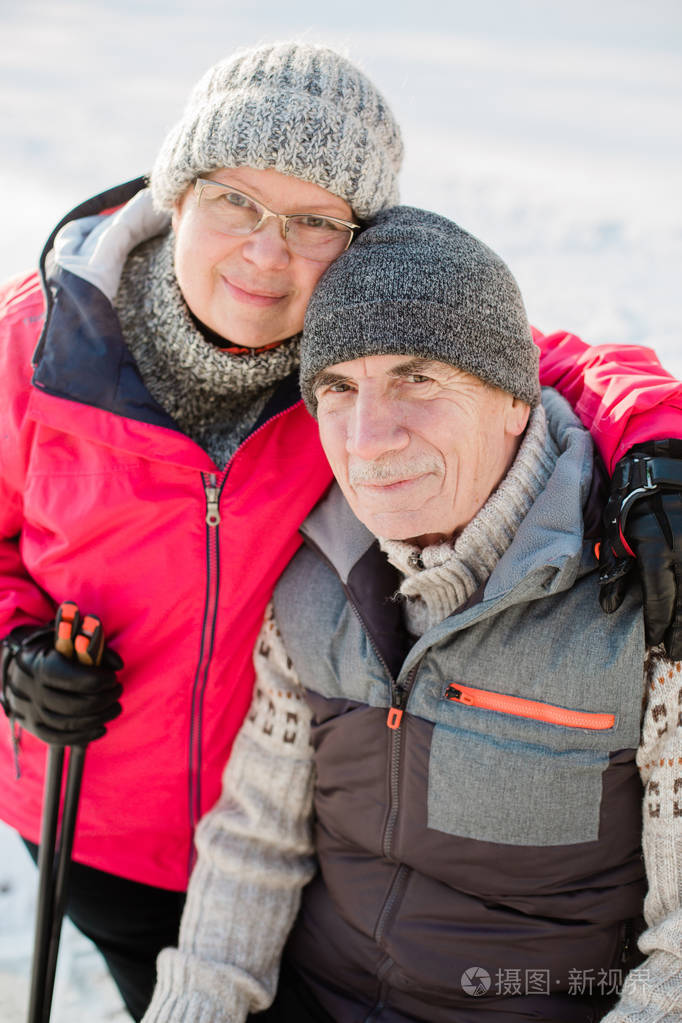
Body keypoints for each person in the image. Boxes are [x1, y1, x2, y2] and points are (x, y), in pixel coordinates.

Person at [0, 41, 681, 1021]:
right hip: (94, 813)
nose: (267, 253)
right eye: (235, 200)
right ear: (176, 192)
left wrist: (659, 447)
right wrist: (13, 649)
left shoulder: (347, 354)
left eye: (313, 221)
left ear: (354, 243)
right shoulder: (39, 343)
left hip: (301, 818)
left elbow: (538, 363)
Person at [142, 206, 681, 1023]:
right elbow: (254, 843)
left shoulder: (650, 596)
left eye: (416, 378)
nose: (367, 439)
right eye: (338, 388)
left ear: (513, 397)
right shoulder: (313, 568)